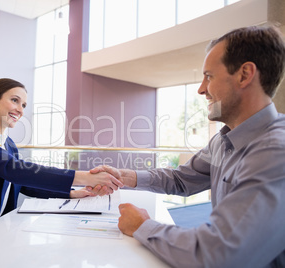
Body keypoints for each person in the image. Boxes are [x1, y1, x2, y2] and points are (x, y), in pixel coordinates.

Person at [90, 26, 285, 267]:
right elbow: (182, 179)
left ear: (245, 75)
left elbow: (218, 254)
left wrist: (142, 226)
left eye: (209, 76)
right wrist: (126, 177)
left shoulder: (275, 151)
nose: (201, 89)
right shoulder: (224, 140)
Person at [0, 78, 123, 258]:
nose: (20, 109)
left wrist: (72, 193)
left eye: (24, 104)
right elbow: (12, 169)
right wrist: (84, 177)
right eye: (15, 100)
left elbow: (23, 183)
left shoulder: (8, 145)